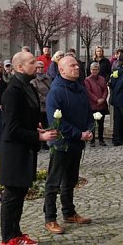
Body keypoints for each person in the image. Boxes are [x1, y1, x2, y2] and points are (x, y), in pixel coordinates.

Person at [0, 51, 57, 245]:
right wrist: (38, 137)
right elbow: (11, 129)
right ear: (20, 67)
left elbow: (27, 119)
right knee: (12, 195)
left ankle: (16, 233)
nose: (37, 64)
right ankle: (6, 239)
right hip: (14, 151)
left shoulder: (28, 87)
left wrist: (37, 129)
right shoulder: (12, 91)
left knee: (21, 193)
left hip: (25, 148)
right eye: (32, 62)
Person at [43, 56, 94, 235]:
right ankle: (50, 218)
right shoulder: (56, 92)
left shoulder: (80, 88)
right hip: (61, 144)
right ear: (62, 70)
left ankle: (69, 212)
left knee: (70, 180)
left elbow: (88, 112)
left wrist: (89, 129)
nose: (76, 68)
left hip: (77, 143)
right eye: (72, 65)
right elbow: (57, 121)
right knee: (54, 182)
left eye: (77, 65)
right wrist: (78, 134)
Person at [85, 62, 108, 146]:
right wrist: (96, 99)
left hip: (102, 104)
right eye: (93, 69)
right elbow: (88, 91)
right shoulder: (87, 80)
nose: (94, 71)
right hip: (93, 105)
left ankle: (101, 139)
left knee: (101, 124)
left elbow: (105, 89)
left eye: (96, 69)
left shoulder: (102, 79)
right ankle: (92, 140)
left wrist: (103, 98)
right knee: (92, 124)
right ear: (90, 70)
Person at [32, 61, 51, 137]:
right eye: (38, 67)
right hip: (40, 106)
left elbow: (51, 89)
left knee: (48, 123)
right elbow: (36, 92)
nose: (40, 69)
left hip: (48, 105)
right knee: (40, 124)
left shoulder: (48, 78)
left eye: (42, 67)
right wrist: (45, 99)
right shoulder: (33, 79)